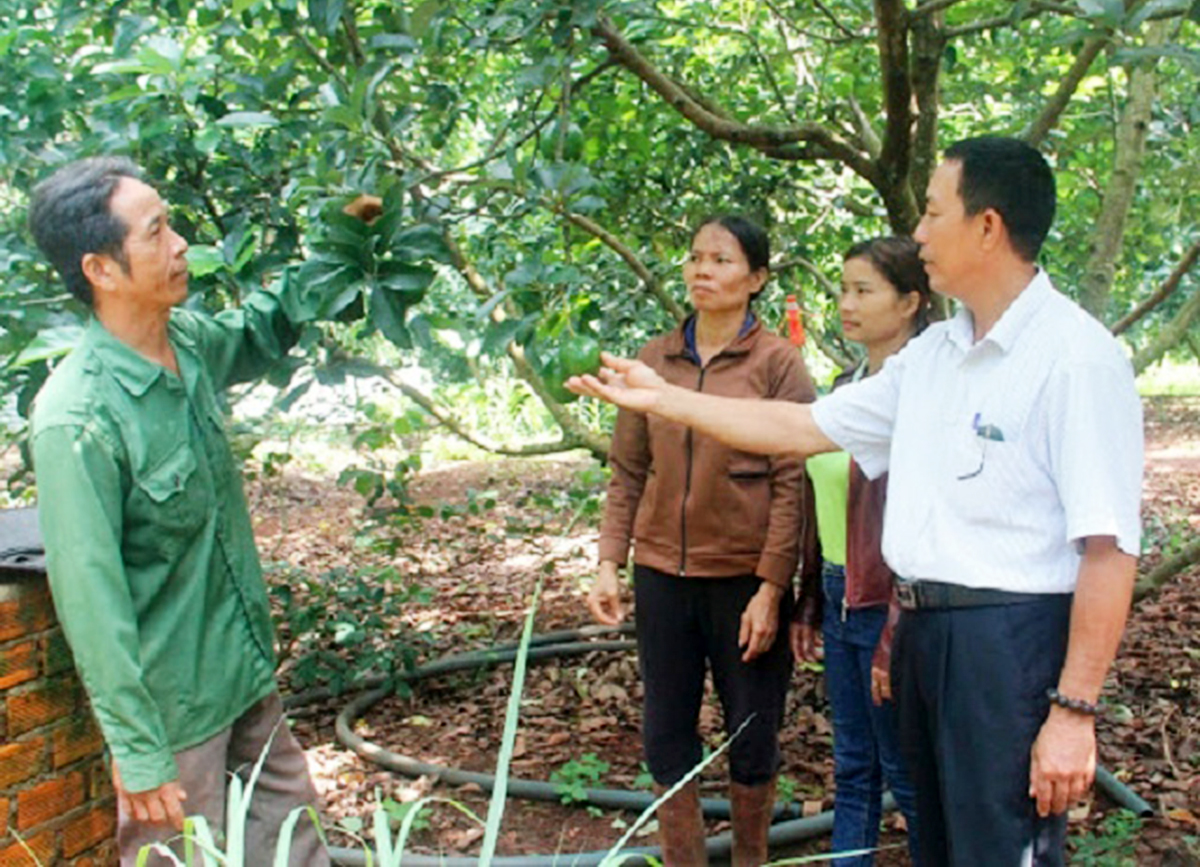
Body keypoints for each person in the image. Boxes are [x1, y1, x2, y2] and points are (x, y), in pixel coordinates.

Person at [569, 137, 1143, 867]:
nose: (921, 235)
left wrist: (1074, 709)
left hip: (1009, 642)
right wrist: (666, 400)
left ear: (988, 226)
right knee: (936, 844)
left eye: (934, 214)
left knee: (1001, 849)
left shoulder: (1074, 357)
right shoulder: (935, 357)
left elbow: (1109, 545)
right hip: (922, 633)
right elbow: (801, 426)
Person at [26, 156, 370, 865]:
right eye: (156, 232)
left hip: (243, 675)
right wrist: (138, 747)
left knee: (297, 852)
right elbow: (91, 600)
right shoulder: (77, 418)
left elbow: (257, 329)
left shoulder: (184, 343)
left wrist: (340, 243)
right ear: (102, 269)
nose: (180, 243)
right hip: (174, 716)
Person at [587, 215, 815, 865]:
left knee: (751, 732)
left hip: (744, 579)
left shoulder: (778, 363)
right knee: (666, 733)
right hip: (662, 576)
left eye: (721, 259)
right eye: (693, 257)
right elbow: (629, 470)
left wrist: (773, 587)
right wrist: (610, 561)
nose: (702, 270)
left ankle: (750, 857)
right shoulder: (655, 359)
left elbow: (792, 482)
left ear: (757, 278)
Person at [792, 237, 928, 865]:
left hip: (891, 603)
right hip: (839, 591)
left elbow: (924, 523)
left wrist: (893, 632)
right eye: (842, 289)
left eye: (863, 290)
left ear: (910, 303)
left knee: (904, 769)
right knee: (851, 765)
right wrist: (810, 600)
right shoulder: (848, 389)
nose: (846, 303)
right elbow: (822, 501)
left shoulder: (924, 396)